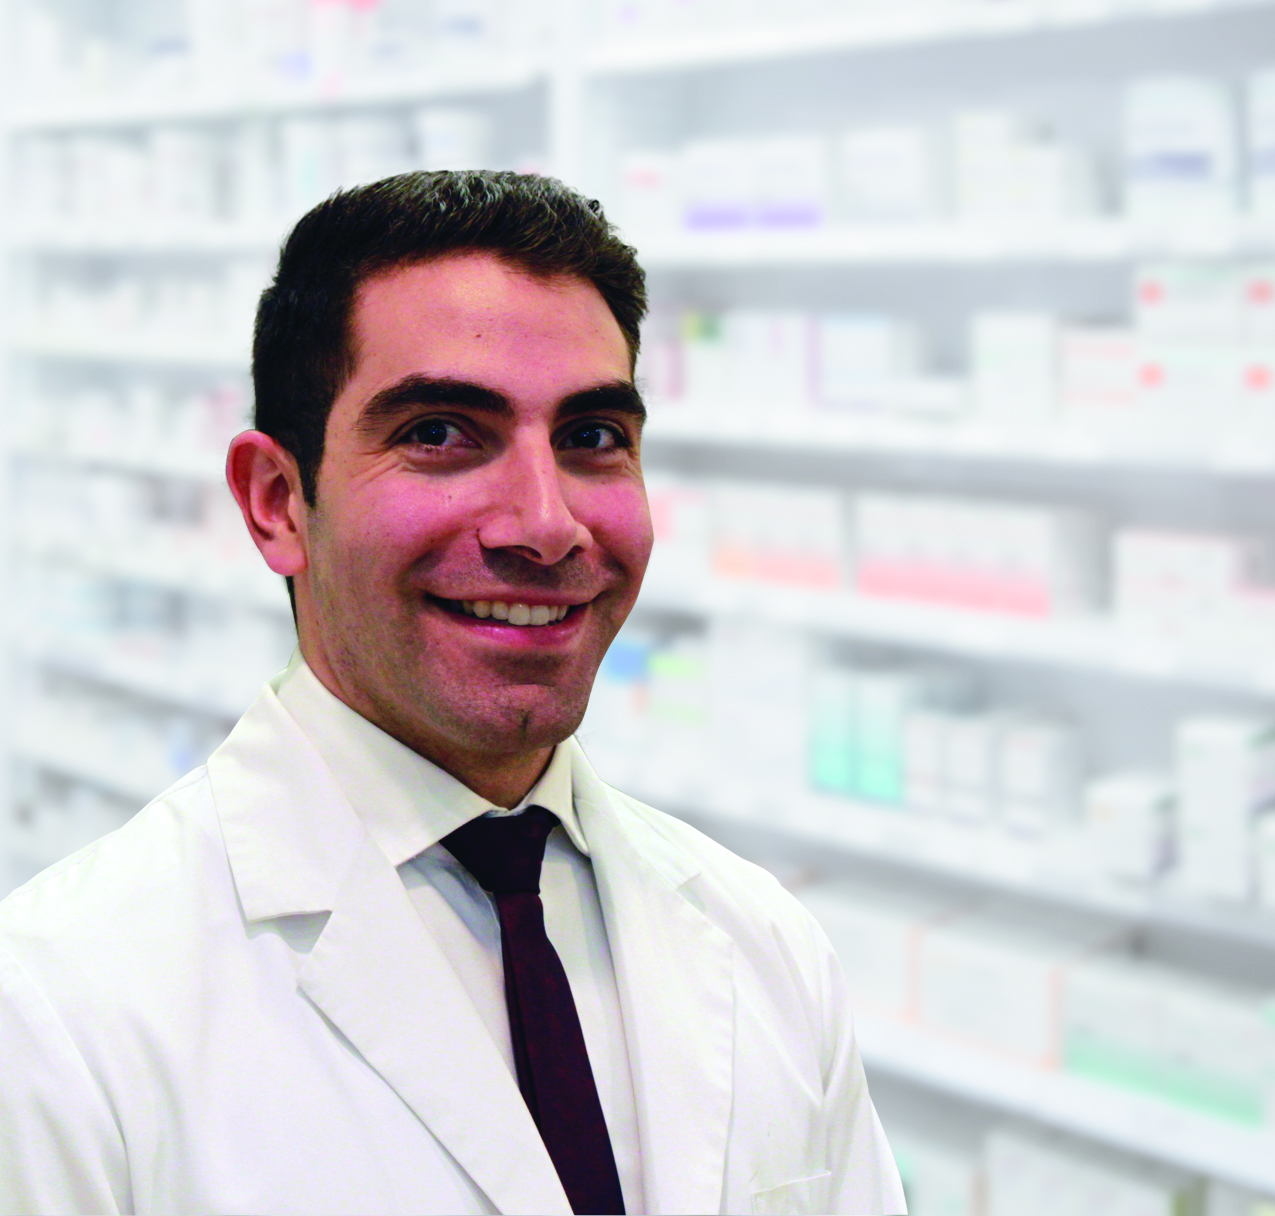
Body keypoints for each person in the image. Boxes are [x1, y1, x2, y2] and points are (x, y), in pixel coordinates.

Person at [0, 172, 904, 1216]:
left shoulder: (765, 945)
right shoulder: (59, 1011)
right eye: (439, 432)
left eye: (591, 437)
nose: (546, 525)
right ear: (279, 502)